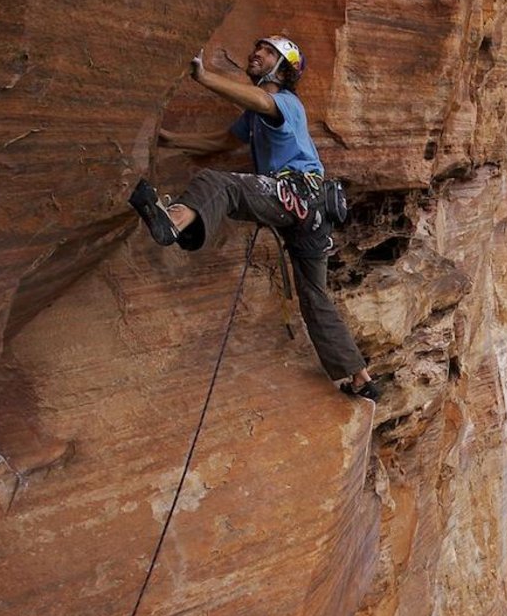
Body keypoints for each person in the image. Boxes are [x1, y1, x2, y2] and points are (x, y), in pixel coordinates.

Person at [128, 35, 379, 401]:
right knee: (314, 295)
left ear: (284, 68)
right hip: (312, 213)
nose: (256, 54)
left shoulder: (287, 104)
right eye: (258, 49)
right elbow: (220, 143)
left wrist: (205, 77)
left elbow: (264, 101)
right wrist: (166, 139)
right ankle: (360, 377)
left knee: (218, 184)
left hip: (297, 194)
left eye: (268, 52)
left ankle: (174, 221)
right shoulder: (255, 117)